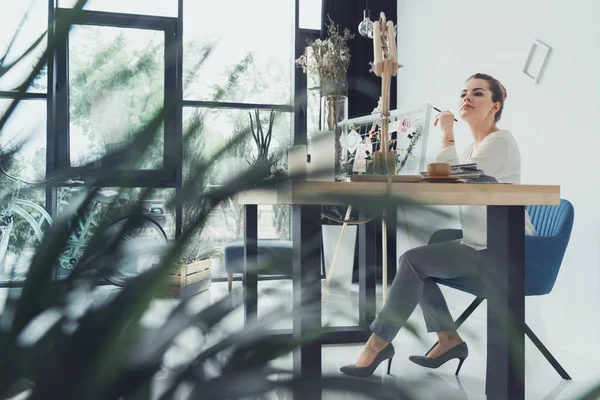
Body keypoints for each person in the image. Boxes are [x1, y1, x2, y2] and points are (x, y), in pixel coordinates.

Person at [340, 73, 537, 377]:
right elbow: (451, 172)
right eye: (463, 93)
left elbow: (453, 177)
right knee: (417, 264)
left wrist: (446, 133)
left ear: (495, 106)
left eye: (478, 94)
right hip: (478, 245)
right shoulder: (474, 149)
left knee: (412, 262)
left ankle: (376, 345)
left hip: (504, 250)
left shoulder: (501, 142)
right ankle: (448, 339)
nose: (466, 98)